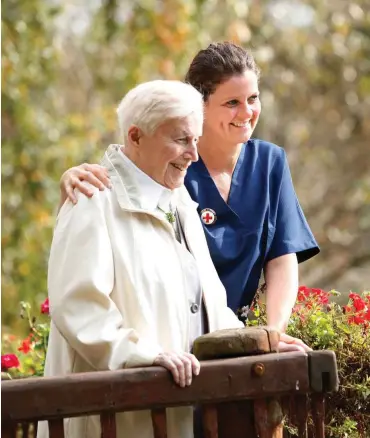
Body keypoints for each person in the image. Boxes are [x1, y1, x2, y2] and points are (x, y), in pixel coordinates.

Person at [59, 42, 319, 353]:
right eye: (232, 102)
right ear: (200, 106)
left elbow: (281, 257)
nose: (247, 112)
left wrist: (268, 337)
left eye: (253, 98)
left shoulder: (266, 163)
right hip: (162, 344)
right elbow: (123, 179)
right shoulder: (171, 172)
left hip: (229, 333)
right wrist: (71, 181)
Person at [39, 80, 244, 438]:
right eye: (181, 140)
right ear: (135, 136)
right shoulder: (92, 200)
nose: (194, 154)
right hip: (112, 422)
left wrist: (259, 338)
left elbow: (209, 303)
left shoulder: (181, 203)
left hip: (185, 415)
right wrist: (143, 354)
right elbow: (78, 307)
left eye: (196, 139)